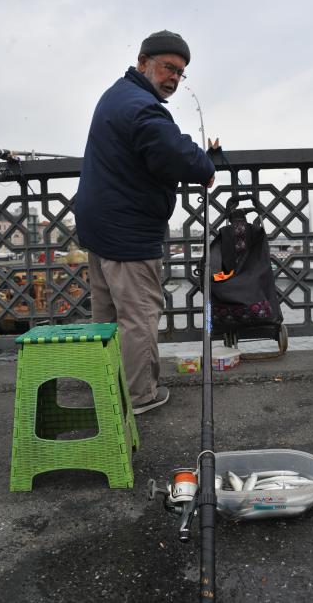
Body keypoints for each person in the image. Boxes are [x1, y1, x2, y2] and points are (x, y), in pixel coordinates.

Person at [75, 30, 215, 413]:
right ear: (143, 63)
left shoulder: (115, 96)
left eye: (180, 72)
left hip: (100, 227)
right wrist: (206, 164)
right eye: (168, 67)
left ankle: (109, 390)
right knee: (138, 317)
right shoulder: (143, 106)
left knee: (107, 318)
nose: (174, 77)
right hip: (127, 232)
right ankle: (139, 396)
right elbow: (173, 152)